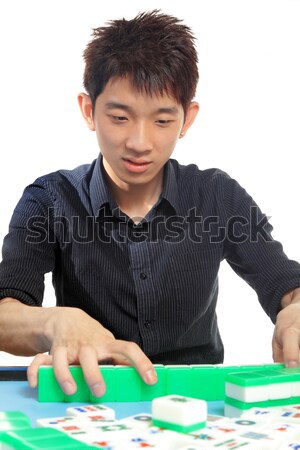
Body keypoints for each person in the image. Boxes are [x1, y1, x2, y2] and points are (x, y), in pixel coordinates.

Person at [0, 10, 300, 399]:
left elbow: (286, 285)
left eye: (161, 120)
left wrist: (293, 311)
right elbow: (6, 309)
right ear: (89, 110)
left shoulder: (218, 196)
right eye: (120, 117)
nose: (140, 142)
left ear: (187, 119)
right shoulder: (48, 201)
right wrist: (55, 322)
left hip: (197, 399)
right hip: (89, 395)